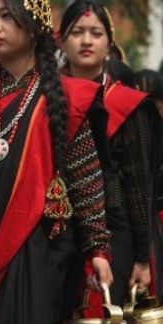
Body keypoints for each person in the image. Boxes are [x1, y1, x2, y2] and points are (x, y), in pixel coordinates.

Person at [0, 0, 114, 324]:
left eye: (6, 17)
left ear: (34, 25)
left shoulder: (65, 96)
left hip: (38, 247)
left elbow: (85, 177)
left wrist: (99, 248)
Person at [59, 0, 161, 307]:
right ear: (62, 41)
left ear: (109, 44)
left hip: (115, 229)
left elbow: (139, 184)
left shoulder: (128, 105)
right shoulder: (43, 98)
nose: (87, 40)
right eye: (77, 32)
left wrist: (142, 258)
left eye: (96, 33)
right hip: (56, 228)